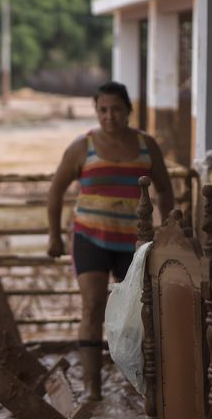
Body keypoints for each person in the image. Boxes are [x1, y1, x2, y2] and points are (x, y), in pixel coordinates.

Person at [46, 81, 174, 401]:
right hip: (91, 238)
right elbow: (56, 189)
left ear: (129, 110)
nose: (109, 116)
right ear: (96, 111)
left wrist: (171, 232)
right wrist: (53, 235)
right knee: (92, 308)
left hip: (134, 244)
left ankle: (140, 385)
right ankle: (93, 389)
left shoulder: (146, 146)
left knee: (139, 313)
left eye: (116, 109)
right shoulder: (82, 146)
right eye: (102, 110)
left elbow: (166, 189)